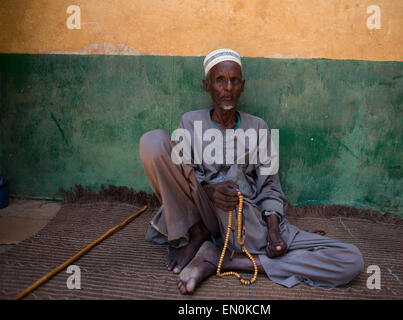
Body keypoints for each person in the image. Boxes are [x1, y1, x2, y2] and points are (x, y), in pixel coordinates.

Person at [139, 49, 364, 294]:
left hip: (245, 224)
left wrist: (274, 231)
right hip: (202, 213)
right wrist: (209, 190)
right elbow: (184, 176)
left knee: (350, 260)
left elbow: (270, 187)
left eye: (234, 81)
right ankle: (197, 235)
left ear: (242, 86)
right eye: (220, 80)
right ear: (207, 86)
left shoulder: (258, 127)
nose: (228, 88)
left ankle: (225, 260)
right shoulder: (190, 122)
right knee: (153, 142)